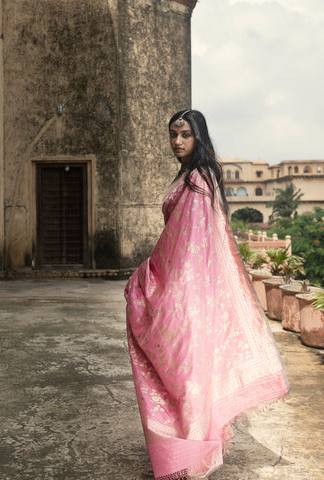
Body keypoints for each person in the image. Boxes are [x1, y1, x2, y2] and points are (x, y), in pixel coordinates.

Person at [124, 109, 289, 480]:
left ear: (199, 136)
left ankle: (193, 452)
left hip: (187, 288)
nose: (177, 141)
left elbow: (188, 242)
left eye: (185, 134)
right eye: (172, 134)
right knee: (185, 374)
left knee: (188, 375)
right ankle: (186, 446)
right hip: (187, 287)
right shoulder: (190, 175)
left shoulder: (200, 178)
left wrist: (150, 277)